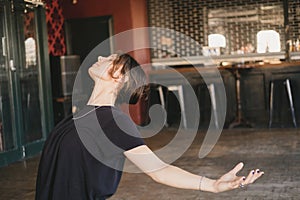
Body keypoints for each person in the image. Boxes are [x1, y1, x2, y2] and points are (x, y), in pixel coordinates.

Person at [35, 53, 264, 200]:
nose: (102, 56)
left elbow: (159, 170)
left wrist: (213, 185)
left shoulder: (115, 122)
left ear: (119, 76)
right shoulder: (78, 113)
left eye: (111, 58)